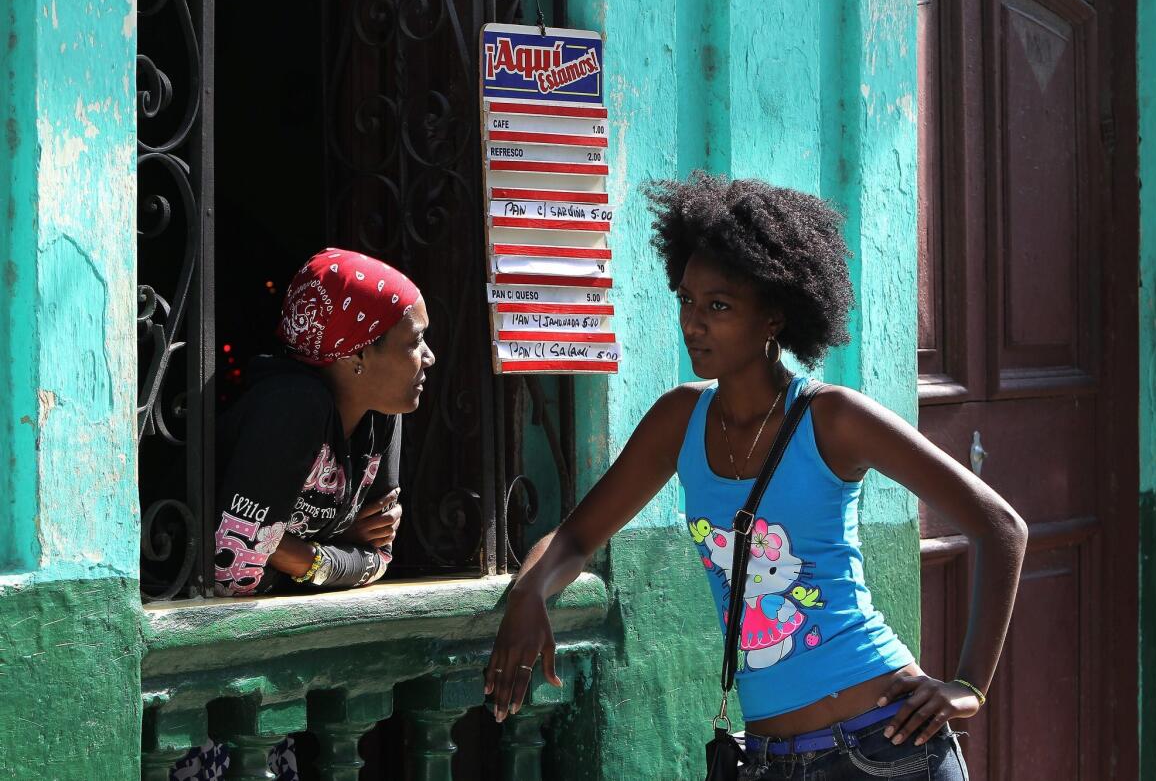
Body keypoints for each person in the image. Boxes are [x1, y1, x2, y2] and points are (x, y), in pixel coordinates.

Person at [483, 172, 1027, 780]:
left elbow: (1001, 527)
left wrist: (970, 686)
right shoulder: (678, 422)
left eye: (719, 306)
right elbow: (578, 537)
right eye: (686, 300)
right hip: (769, 762)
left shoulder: (832, 419)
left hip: (885, 747)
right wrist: (529, 594)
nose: (694, 322)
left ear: (773, 315)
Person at [172, 247, 434, 781]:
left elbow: (379, 557)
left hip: (261, 678)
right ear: (355, 355)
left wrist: (288, 551)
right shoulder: (292, 405)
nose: (428, 357)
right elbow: (231, 571)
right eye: (414, 342)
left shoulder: (383, 416)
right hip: (192, 680)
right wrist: (330, 553)